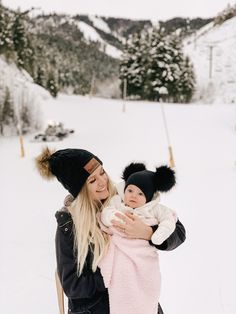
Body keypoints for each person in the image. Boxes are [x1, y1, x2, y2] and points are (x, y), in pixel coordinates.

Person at [35, 147, 186, 314]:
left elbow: (178, 232)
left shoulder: (124, 197)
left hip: (140, 303)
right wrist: (113, 273)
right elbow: (73, 286)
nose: (102, 182)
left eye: (102, 172)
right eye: (92, 181)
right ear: (80, 190)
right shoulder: (70, 224)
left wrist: (148, 232)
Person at [99, 162, 177, 314]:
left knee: (147, 290)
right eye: (130, 190)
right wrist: (114, 217)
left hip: (144, 259)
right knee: (122, 292)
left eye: (140, 193)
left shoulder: (155, 209)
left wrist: (154, 234)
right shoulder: (117, 202)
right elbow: (105, 213)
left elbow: (169, 221)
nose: (133, 195)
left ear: (148, 197)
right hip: (121, 259)